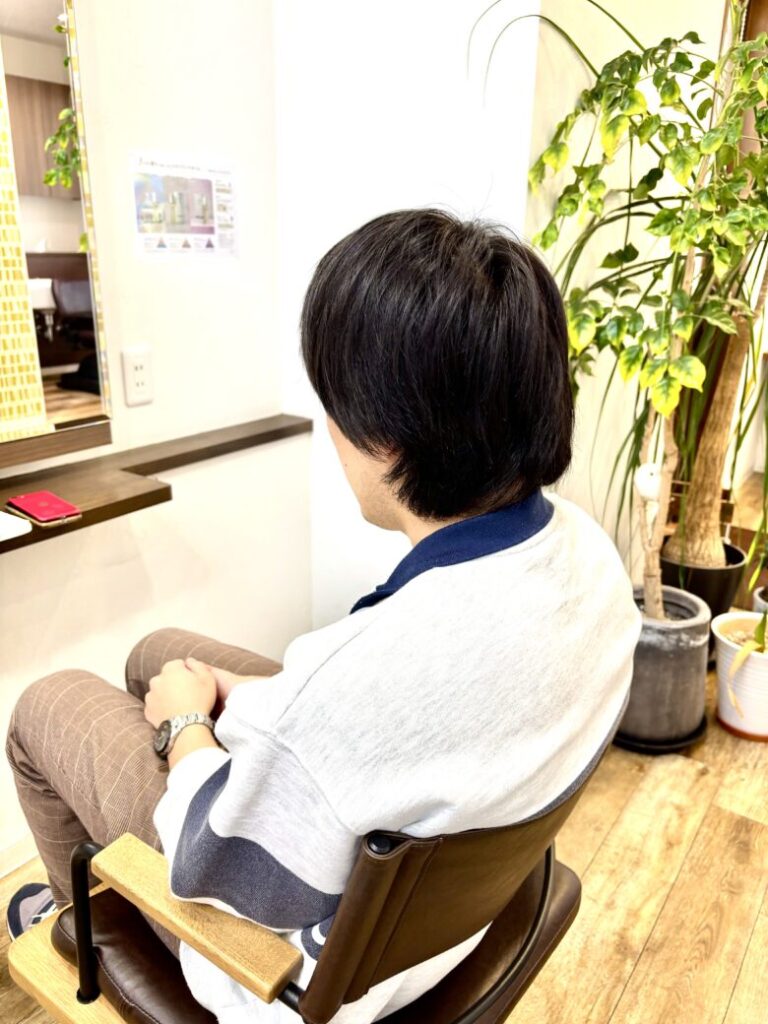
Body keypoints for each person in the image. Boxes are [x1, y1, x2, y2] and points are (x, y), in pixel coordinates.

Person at [6, 209, 641, 1023]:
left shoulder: (349, 685)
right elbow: (360, 716)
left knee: (46, 706)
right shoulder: (591, 558)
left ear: (389, 440)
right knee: (157, 653)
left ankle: (89, 914)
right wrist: (255, 707)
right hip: (459, 886)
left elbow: (213, 861)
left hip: (291, 978)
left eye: (335, 405)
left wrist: (185, 731)